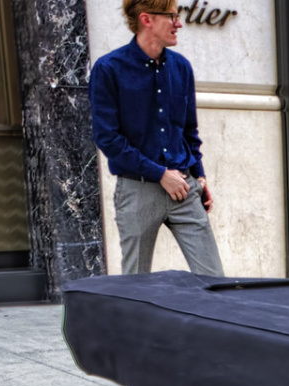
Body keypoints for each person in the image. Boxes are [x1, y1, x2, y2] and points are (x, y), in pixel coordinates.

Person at [90, 0, 224, 277]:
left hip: (184, 188)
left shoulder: (181, 68)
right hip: (138, 190)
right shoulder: (109, 69)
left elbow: (189, 131)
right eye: (172, 17)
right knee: (135, 284)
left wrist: (199, 176)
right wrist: (160, 173)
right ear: (147, 19)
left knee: (214, 280)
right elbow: (107, 138)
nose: (179, 23)